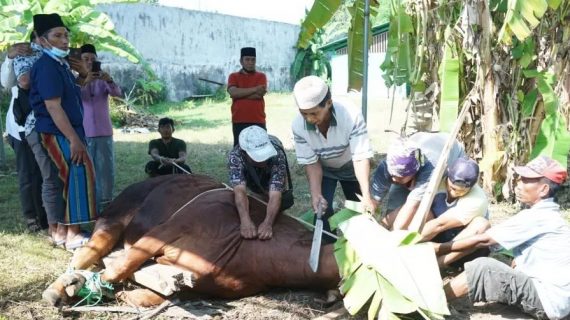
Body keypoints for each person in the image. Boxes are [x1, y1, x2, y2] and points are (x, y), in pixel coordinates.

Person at [434, 156, 570, 319]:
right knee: (505, 262)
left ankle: (433, 301)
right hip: (556, 299)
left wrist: (436, 247)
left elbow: (483, 240)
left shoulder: (539, 217)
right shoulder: (547, 215)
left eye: (526, 180)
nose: (518, 184)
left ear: (543, 190)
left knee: (483, 268)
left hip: (549, 301)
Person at [27, 13, 97, 250]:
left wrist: (84, 75)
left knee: (71, 176)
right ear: (42, 39)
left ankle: (67, 230)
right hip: (55, 131)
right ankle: (72, 234)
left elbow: (71, 93)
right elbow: (53, 106)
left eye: (66, 35)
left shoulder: (61, 65)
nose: (65, 40)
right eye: (57, 36)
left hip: (68, 130)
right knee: (78, 171)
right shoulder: (46, 66)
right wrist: (73, 139)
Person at [292, 75, 375, 237]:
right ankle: (326, 249)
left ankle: (360, 245)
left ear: (328, 103)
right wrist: (316, 194)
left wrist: (366, 194)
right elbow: (312, 164)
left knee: (360, 209)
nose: (309, 119)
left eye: (314, 113)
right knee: (322, 210)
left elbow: (360, 157)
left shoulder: (351, 115)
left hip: (350, 166)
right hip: (324, 169)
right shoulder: (298, 126)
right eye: (304, 114)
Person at [371, 132, 466, 230]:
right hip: (422, 150)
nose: (394, 179)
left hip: (450, 160)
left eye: (399, 177)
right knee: (395, 203)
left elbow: (412, 206)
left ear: (414, 172)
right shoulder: (389, 164)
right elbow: (373, 200)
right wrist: (380, 226)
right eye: (392, 175)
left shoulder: (430, 170)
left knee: (428, 212)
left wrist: (392, 234)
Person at [1, 41, 47, 232]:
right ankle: (31, 217)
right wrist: (10, 58)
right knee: (28, 173)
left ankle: (46, 215)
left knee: (45, 173)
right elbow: (7, 83)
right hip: (20, 126)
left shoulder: (54, 58)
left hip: (46, 122)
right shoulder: (19, 56)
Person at [416, 157, 490, 267]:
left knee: (482, 224)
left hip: (459, 244)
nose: (454, 192)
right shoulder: (437, 180)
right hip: (436, 234)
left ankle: (435, 265)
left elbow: (441, 224)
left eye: (462, 191)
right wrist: (406, 241)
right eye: (451, 187)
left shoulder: (477, 200)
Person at [228, 125, 292, 240]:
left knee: (275, 206)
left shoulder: (277, 154)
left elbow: (275, 195)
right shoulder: (236, 156)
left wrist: (268, 224)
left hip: (272, 174)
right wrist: (245, 221)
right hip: (251, 177)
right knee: (257, 201)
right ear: (245, 152)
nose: (263, 160)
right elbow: (240, 191)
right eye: (258, 156)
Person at [79, 43, 122, 210]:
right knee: (88, 169)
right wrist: (84, 81)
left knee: (106, 169)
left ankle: (106, 201)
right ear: (80, 62)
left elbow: (117, 94)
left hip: (104, 131)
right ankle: (91, 202)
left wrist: (109, 80)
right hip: (84, 133)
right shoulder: (76, 79)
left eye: (93, 59)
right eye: (85, 59)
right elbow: (73, 97)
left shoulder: (102, 80)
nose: (90, 62)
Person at [227, 47, 267, 146]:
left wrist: (239, 93)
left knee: (260, 148)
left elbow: (259, 95)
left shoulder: (261, 76)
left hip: (258, 119)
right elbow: (233, 93)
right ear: (241, 61)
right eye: (247, 59)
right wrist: (255, 89)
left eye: (253, 60)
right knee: (240, 149)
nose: (250, 62)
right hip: (239, 120)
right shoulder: (233, 76)